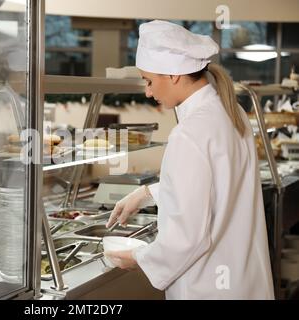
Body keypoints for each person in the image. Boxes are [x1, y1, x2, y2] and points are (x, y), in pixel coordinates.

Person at [105, 20, 274, 300]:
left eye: (148, 80)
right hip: (244, 279)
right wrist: (147, 193)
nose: (148, 92)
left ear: (173, 75)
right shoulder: (231, 112)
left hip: (208, 287)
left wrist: (139, 257)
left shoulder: (190, 133)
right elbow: (219, 182)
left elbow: (187, 240)